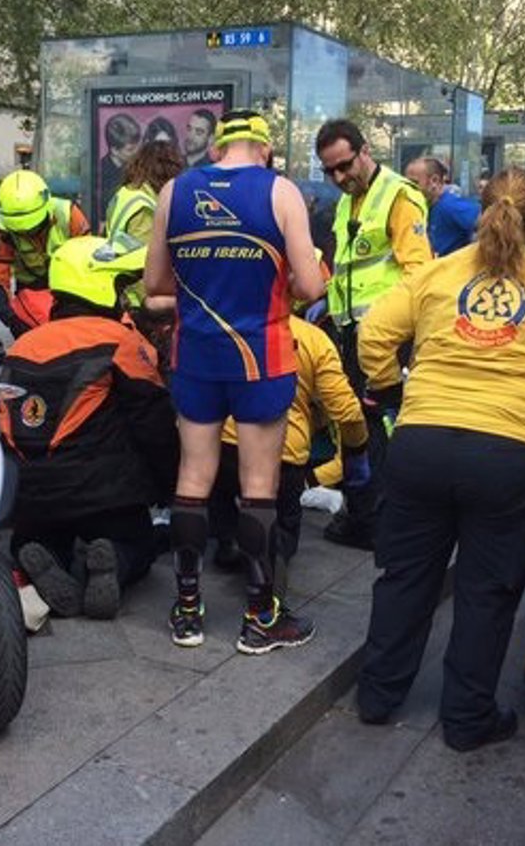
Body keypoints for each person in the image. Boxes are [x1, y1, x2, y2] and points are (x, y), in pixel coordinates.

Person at [355, 165, 525, 750]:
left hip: (421, 444)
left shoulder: (437, 275)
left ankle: (377, 696)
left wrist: (399, 397)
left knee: (405, 577)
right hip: (508, 456)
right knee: (487, 589)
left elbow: (375, 333)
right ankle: (468, 718)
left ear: (481, 210)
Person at [143, 108, 325, 654]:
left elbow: (154, 284)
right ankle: (259, 616)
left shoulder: (175, 191)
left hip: (196, 353)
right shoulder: (282, 192)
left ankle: (189, 612)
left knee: (193, 478)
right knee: (258, 487)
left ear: (219, 148)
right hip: (261, 356)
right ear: (265, 149)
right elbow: (312, 286)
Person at [1, 236, 177, 620]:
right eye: (117, 287)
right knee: (138, 540)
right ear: (96, 285)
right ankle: (114, 557)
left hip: (32, 495)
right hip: (105, 491)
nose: (122, 298)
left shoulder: (21, 347)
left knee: (43, 539)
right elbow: (154, 421)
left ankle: (46, 559)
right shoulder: (119, 340)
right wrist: (172, 486)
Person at [314, 119, 432, 549]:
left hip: (383, 337)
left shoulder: (398, 196)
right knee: (358, 423)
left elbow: (418, 274)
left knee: (377, 425)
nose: (339, 178)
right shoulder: (350, 200)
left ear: (365, 151)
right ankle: (366, 511)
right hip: (351, 332)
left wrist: (387, 329)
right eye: (330, 171)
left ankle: (377, 521)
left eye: (344, 166)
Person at [209, 313, 370, 595]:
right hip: (284, 450)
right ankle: (273, 553)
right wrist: (357, 450)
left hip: (227, 440)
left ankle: (230, 538)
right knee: (284, 523)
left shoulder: (227, 324)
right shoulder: (314, 340)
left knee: (219, 487)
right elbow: (347, 410)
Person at [0, 168, 91, 336]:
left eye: (33, 228)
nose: (27, 234)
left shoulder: (68, 215)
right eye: (21, 231)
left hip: (69, 289)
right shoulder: (4, 231)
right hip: (29, 291)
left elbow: (88, 262)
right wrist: (9, 317)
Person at [104, 140, 184, 247]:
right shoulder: (145, 207)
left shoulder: (125, 192)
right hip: (135, 262)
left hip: (115, 260)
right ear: (168, 170)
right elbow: (146, 254)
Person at [405, 156, 480, 257]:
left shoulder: (450, 205)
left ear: (434, 181)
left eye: (414, 183)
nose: (407, 189)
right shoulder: (425, 206)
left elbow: (488, 223)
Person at [99, 112, 142, 207]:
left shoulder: (140, 166)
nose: (136, 152)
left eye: (138, 146)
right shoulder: (100, 175)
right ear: (114, 150)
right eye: (130, 149)